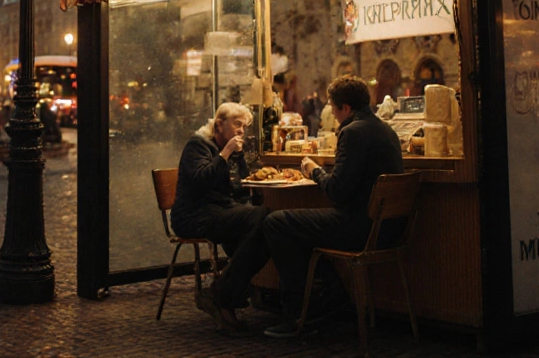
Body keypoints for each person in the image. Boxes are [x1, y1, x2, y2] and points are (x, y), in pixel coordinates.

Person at [261, 76, 404, 339]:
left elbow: (337, 192)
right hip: (390, 229)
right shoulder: (387, 130)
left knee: (276, 223)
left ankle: (300, 313)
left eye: (333, 107)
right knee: (300, 230)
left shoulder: (352, 132)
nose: (332, 114)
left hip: (361, 228)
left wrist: (314, 170)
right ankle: (328, 295)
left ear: (345, 108)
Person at [173, 102, 270, 332]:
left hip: (220, 210)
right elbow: (201, 180)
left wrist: (239, 159)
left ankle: (223, 294)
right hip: (194, 215)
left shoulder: (228, 149)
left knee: (268, 223)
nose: (241, 131)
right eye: (237, 124)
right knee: (262, 219)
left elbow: (240, 185)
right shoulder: (198, 145)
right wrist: (225, 153)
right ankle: (228, 293)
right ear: (219, 125)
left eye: (244, 127)